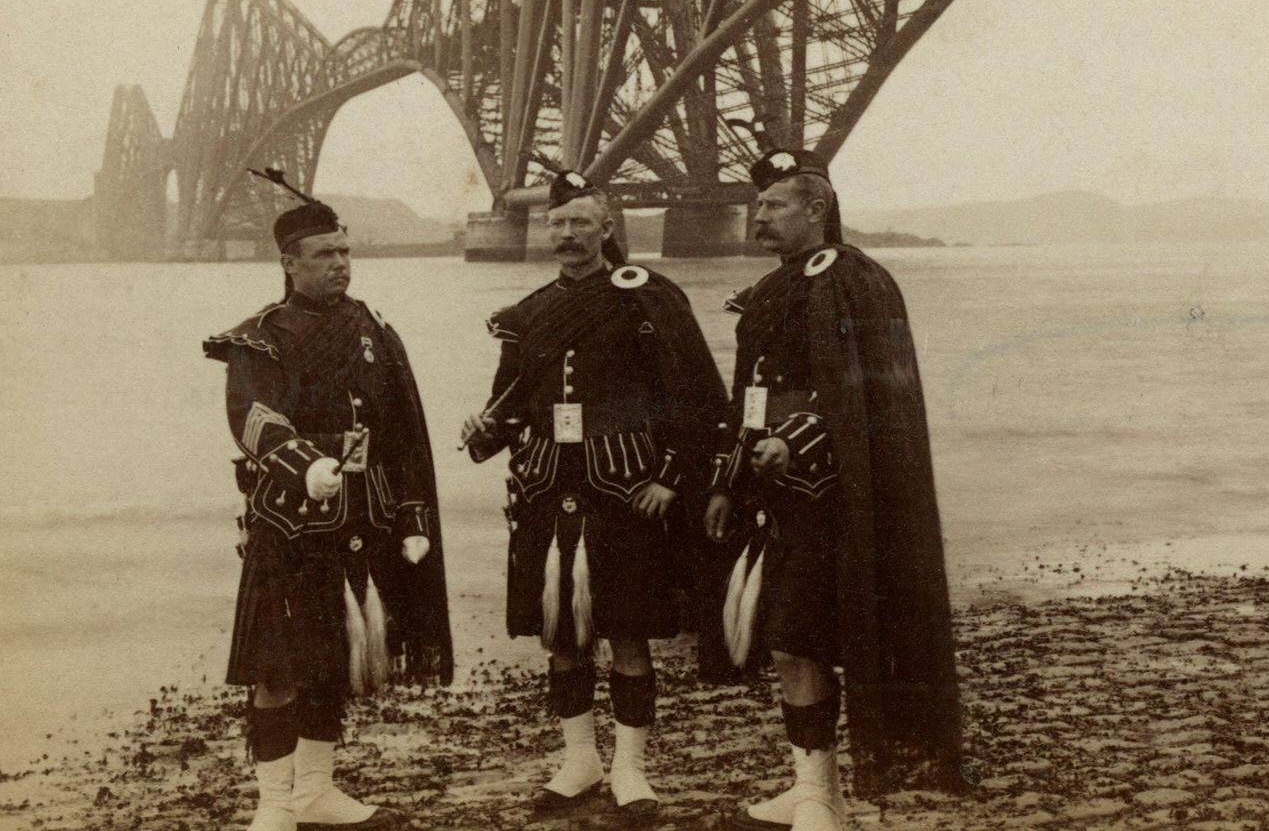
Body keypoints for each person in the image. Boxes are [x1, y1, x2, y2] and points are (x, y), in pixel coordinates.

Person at [704, 149, 963, 831]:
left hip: (835, 498)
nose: (759, 217)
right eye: (757, 207)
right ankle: (813, 786)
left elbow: (870, 392)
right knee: (789, 640)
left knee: (804, 638)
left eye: (774, 206)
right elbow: (748, 398)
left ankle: (823, 797)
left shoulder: (853, 279)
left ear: (815, 209)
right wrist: (728, 482)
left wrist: (800, 442)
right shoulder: (773, 289)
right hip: (773, 496)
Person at [461, 170, 728, 822]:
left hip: (628, 492)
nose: (567, 235)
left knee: (629, 634)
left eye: (581, 222)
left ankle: (632, 769)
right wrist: (483, 431)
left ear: (608, 230)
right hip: (547, 490)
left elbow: (693, 396)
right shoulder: (526, 314)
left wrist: (671, 477)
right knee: (563, 635)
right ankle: (580, 761)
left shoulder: (648, 299)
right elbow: (513, 403)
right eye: (557, 224)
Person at [204, 173, 453, 831]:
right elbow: (253, 420)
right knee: (277, 667)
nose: (340, 264)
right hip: (288, 522)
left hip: (362, 517)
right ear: (290, 264)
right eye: (325, 255)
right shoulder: (259, 336)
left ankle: (316, 789)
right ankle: (273, 806)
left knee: (334, 659)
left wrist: (413, 516)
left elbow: (402, 433)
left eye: (345, 252)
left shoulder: (372, 327)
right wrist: (304, 463)